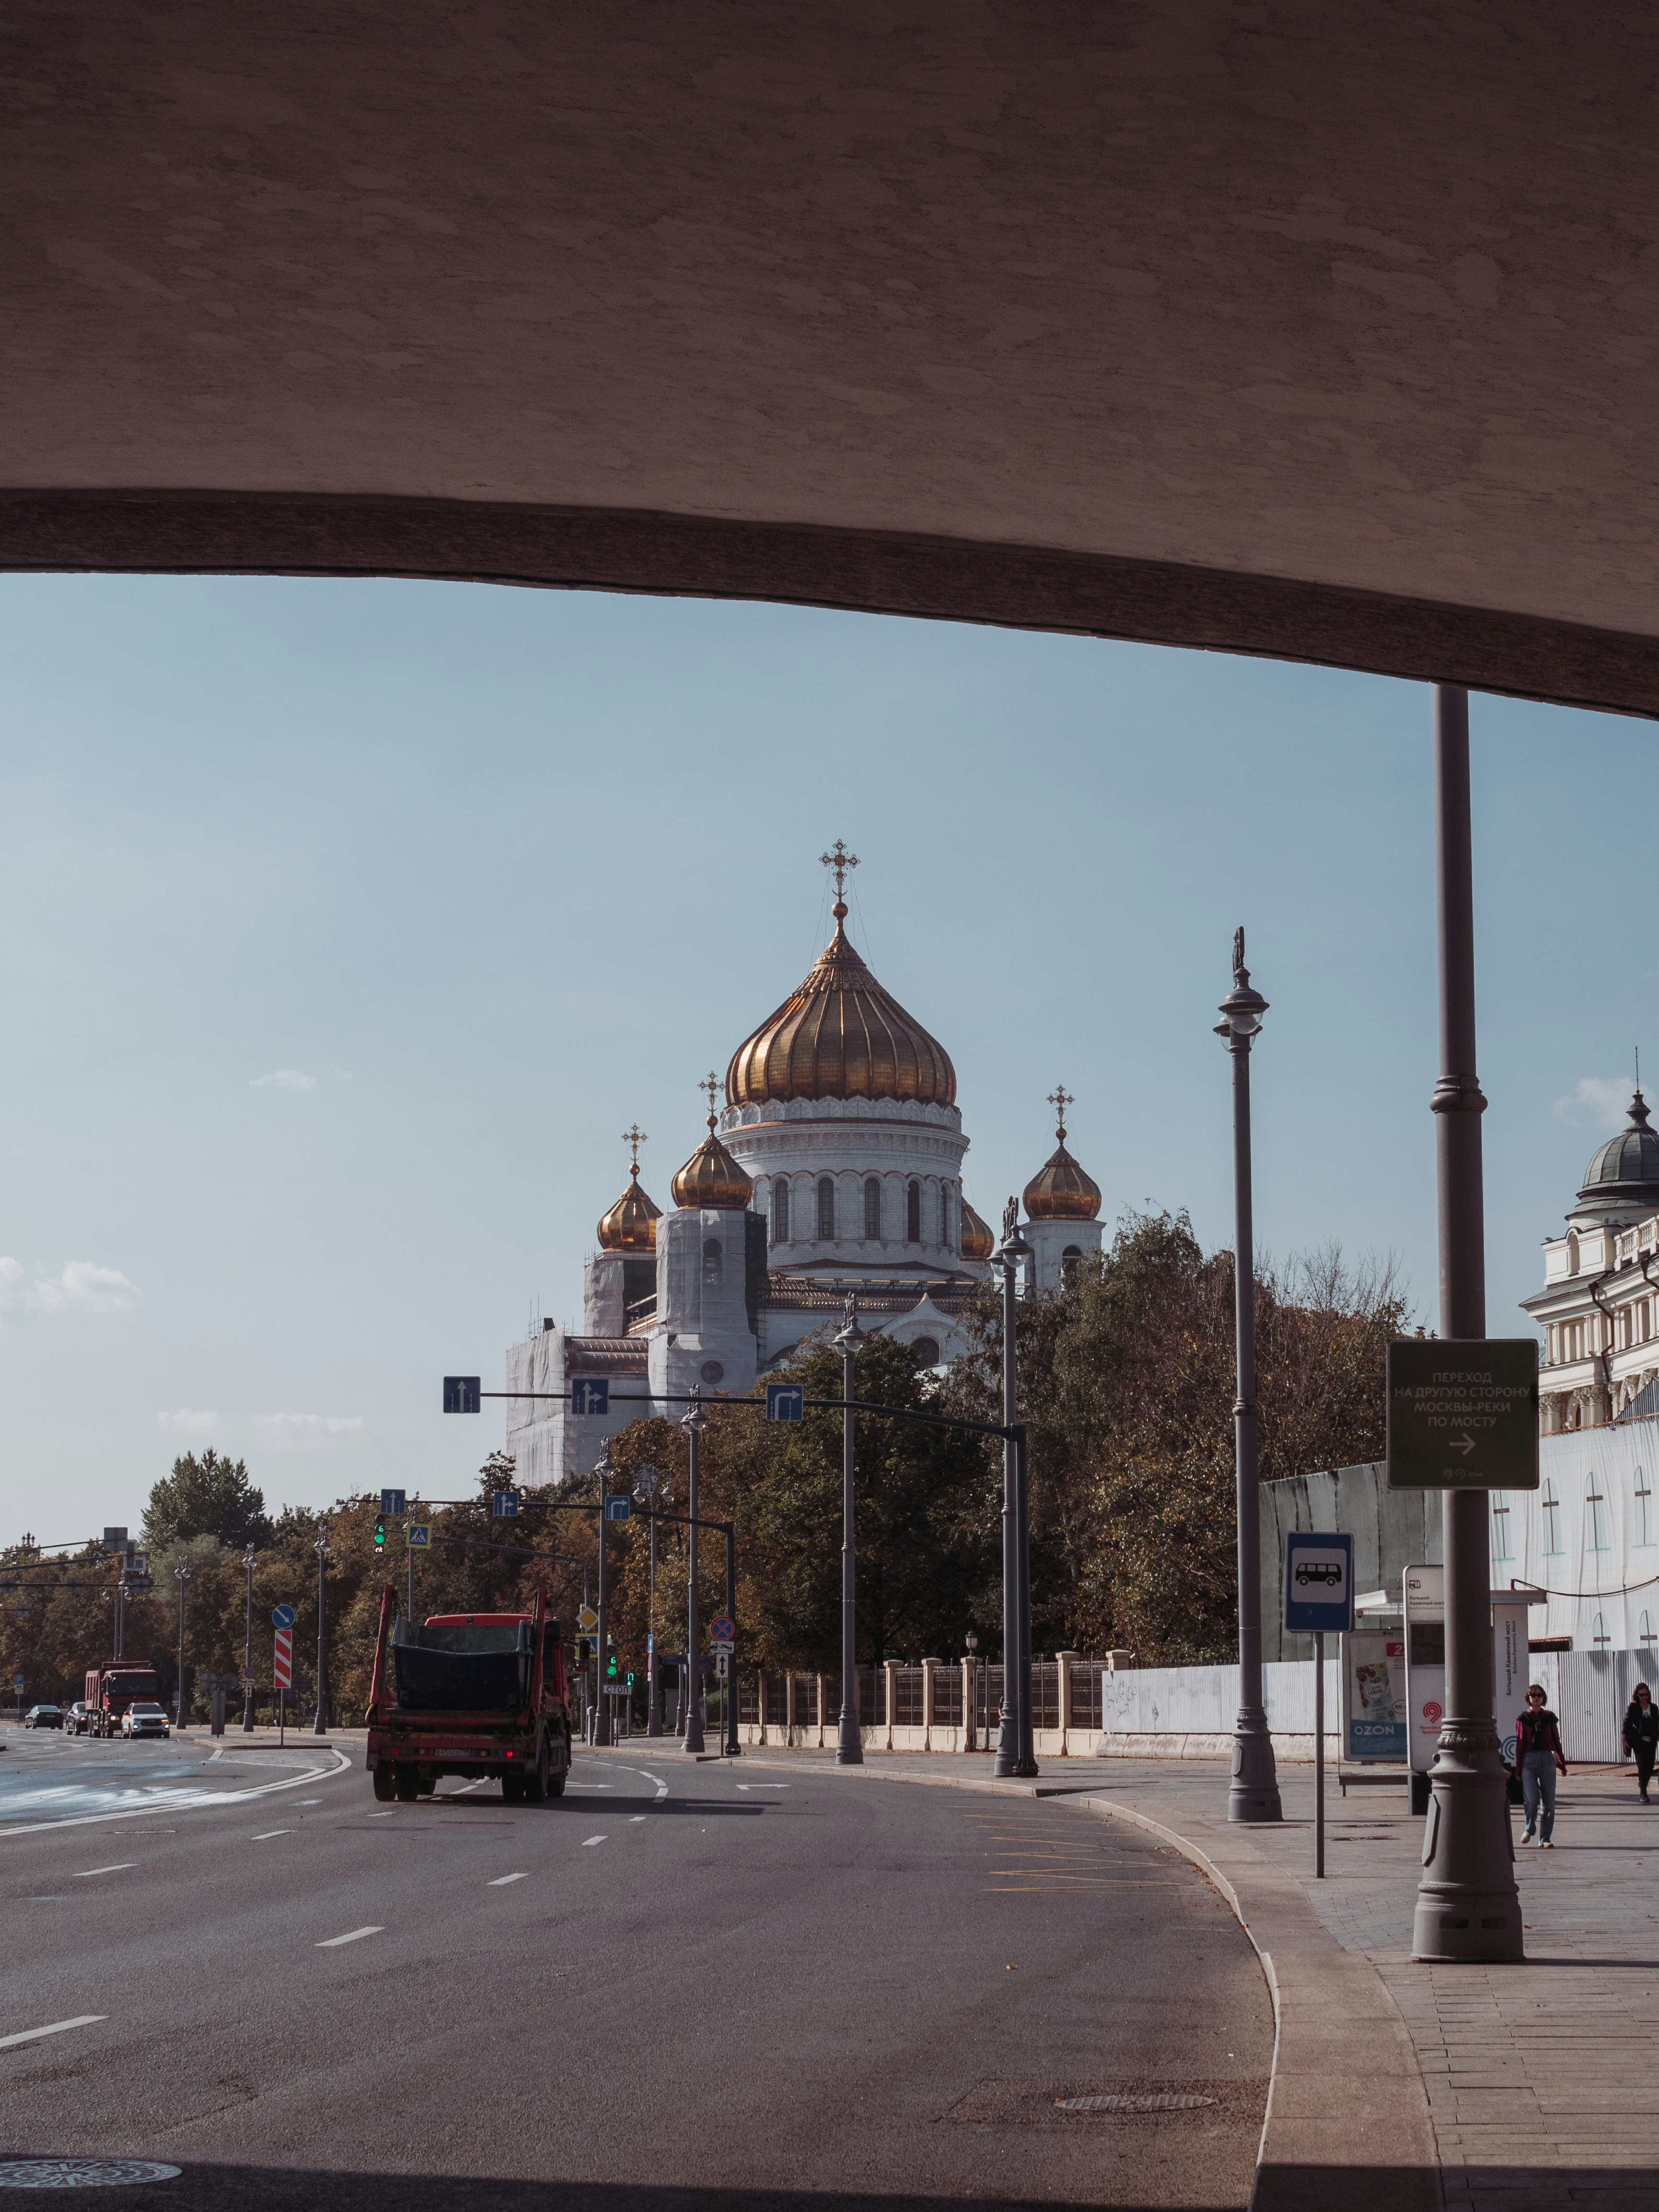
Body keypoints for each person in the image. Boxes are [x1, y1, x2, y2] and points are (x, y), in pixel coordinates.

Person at [1517, 1684, 1568, 1847]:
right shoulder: (1523, 1718)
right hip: (1529, 1762)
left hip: (1547, 1760)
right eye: (1533, 1695)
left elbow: (1556, 1740)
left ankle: (1545, 1839)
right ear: (1529, 1699)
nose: (1536, 1697)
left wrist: (1561, 1762)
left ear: (1543, 1698)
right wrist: (1519, 1768)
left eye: (1539, 1695)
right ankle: (1529, 1828)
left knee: (1549, 1804)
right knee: (1532, 1800)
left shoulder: (1550, 1717)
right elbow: (1520, 1744)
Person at [1623, 1682, 1659, 1803]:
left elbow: (1658, 1724)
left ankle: (1642, 1783)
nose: (1644, 1697)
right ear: (1637, 1696)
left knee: (1650, 1767)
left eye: (1646, 1695)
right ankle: (1643, 1793)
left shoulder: (1654, 1708)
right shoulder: (1634, 1707)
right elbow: (1627, 1722)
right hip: (1638, 1741)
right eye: (1642, 1695)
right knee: (1642, 1767)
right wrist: (1624, 1738)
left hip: (1651, 1741)